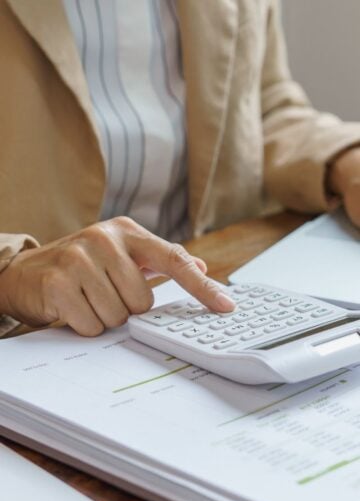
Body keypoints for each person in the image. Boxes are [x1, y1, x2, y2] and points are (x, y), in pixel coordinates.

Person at [0, 0, 359, 338]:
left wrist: (346, 158)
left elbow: (261, 106)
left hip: (207, 298)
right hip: (38, 334)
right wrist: (11, 274)